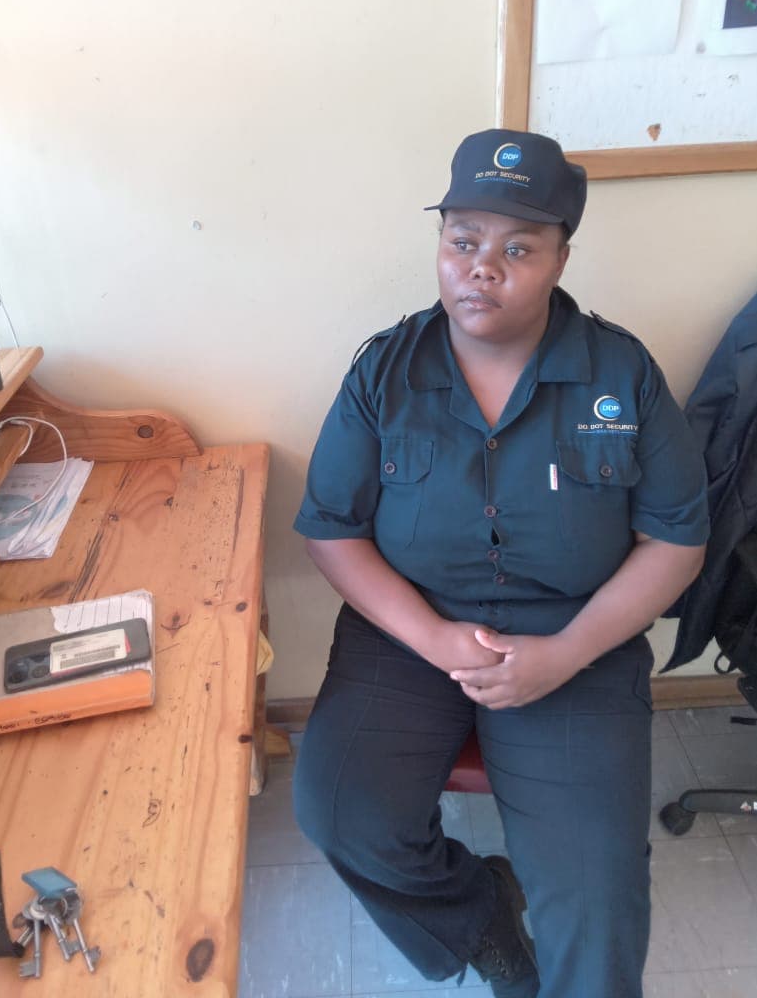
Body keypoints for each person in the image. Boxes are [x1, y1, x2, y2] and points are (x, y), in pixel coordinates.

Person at [292, 128, 709, 997]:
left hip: (572, 639)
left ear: (561, 257)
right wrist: (435, 637)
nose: (483, 267)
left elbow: (676, 538)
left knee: (596, 909)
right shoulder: (385, 371)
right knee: (341, 813)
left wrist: (568, 652)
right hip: (409, 630)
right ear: (440, 245)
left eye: (518, 247)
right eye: (463, 241)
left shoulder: (620, 374)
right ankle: (478, 914)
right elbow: (331, 527)